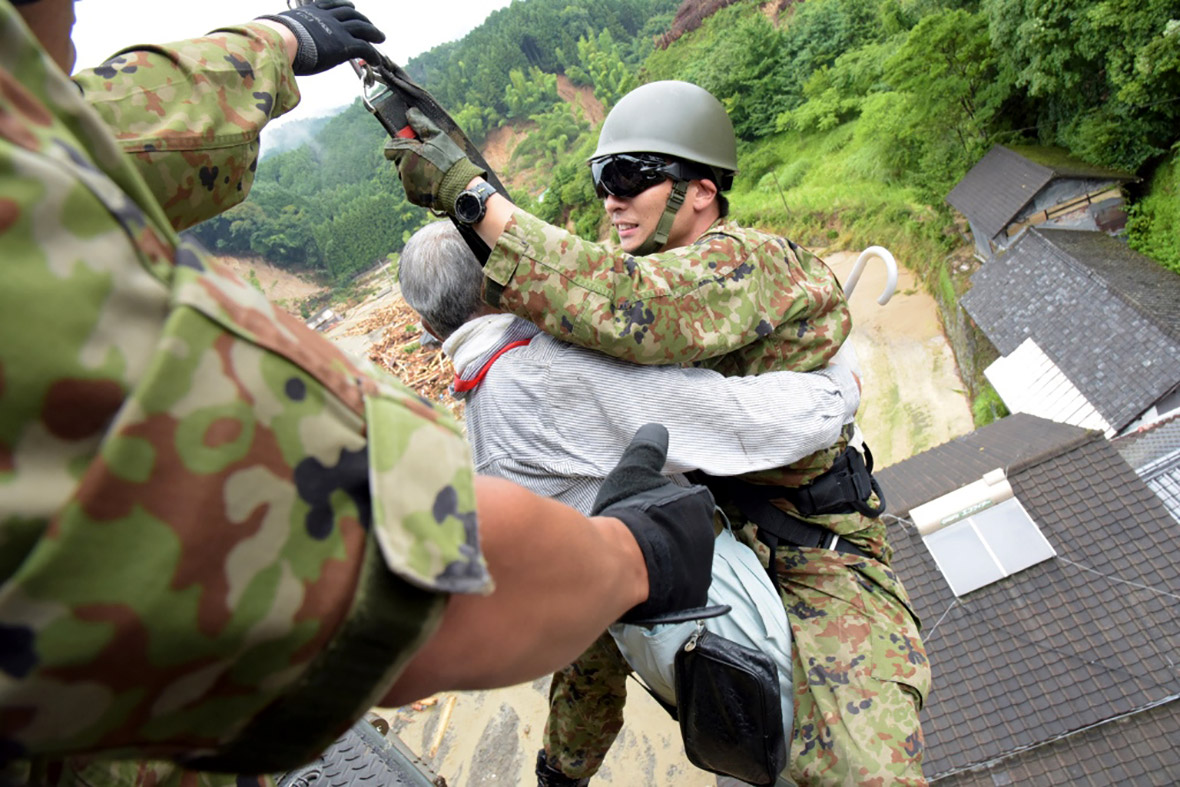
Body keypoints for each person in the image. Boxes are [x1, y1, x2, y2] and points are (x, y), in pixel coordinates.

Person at [0, 4, 720, 785]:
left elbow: (90, 129)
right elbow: (407, 582)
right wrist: (637, 551)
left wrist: (273, 45)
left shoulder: (496, 392)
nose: (70, 18)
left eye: (631, 182)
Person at [386, 80, 932, 786]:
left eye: (630, 177)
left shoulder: (746, 262)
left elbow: (632, 306)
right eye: (601, 178)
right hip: (713, 533)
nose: (610, 198)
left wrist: (472, 197)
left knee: (865, 769)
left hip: (817, 547)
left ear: (700, 191)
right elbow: (593, 299)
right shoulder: (621, 303)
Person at [399, 219, 867, 782]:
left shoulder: (483, 406)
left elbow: (580, 647)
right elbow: (727, 419)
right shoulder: (542, 373)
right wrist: (840, 390)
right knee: (813, 750)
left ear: (429, 324)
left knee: (756, 747)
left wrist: (563, 766)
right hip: (713, 600)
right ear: (500, 283)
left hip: (649, 632)